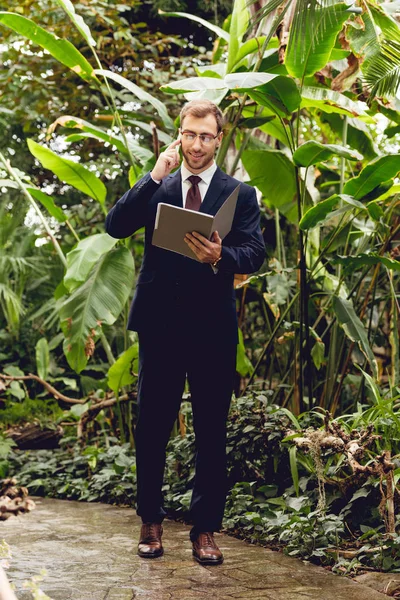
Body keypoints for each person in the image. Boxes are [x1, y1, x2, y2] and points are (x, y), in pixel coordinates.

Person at [105, 99, 265, 565]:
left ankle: (205, 531)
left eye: (205, 136)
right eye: (189, 135)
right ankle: (151, 523)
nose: (196, 145)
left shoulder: (240, 194)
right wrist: (153, 176)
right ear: (180, 135)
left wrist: (221, 256)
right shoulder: (160, 185)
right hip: (160, 325)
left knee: (211, 431)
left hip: (213, 328)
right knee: (152, 426)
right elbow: (116, 226)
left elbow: (254, 252)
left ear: (219, 139)